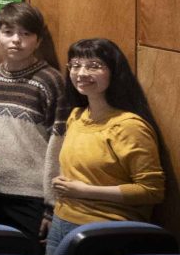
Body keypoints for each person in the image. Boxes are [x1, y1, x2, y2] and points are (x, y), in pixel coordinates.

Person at [48, 38, 167, 241]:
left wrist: (85, 191)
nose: (82, 73)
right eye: (75, 65)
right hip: (61, 219)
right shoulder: (77, 115)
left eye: (94, 66)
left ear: (114, 71)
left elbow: (151, 191)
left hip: (105, 230)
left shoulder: (129, 126)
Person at [0, 1, 65, 237]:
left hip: (32, 195)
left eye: (25, 33)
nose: (16, 40)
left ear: (38, 40)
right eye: (8, 32)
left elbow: (60, 144)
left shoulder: (50, 80)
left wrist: (52, 206)